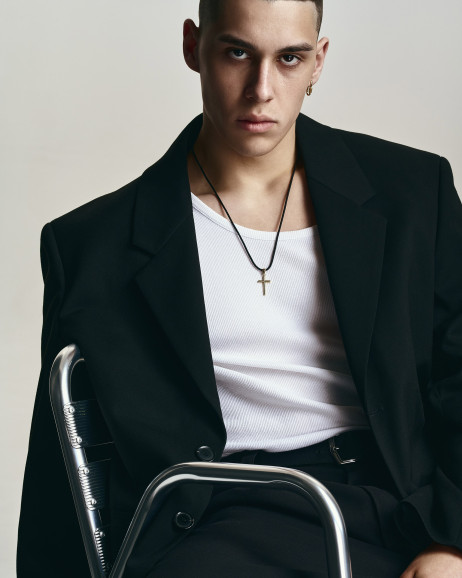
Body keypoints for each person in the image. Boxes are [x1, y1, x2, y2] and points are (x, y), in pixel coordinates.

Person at [17, 0, 462, 576]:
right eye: (236, 53)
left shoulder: (413, 192)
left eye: (289, 58)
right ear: (192, 47)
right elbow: (58, 476)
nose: (261, 90)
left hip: (402, 504)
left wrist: (450, 540)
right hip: (221, 519)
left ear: (319, 61)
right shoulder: (94, 246)